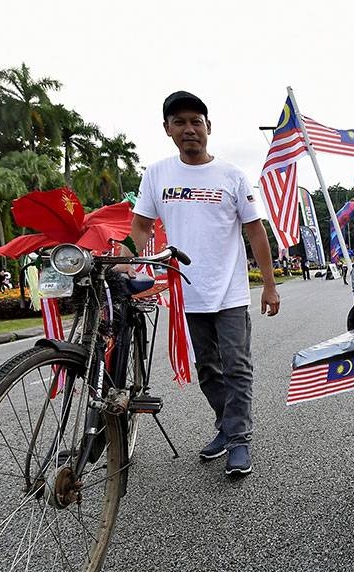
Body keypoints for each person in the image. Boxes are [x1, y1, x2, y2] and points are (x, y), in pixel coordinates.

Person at [128, 91, 280, 477]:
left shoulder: (231, 175)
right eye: (179, 122)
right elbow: (143, 225)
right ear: (168, 130)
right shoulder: (157, 174)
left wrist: (269, 284)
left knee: (237, 367)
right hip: (185, 294)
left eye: (196, 121)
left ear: (208, 127)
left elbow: (254, 230)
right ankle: (226, 428)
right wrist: (139, 263)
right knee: (209, 369)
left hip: (228, 292)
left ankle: (240, 439)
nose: (189, 129)